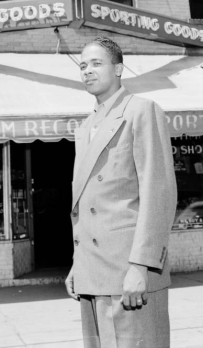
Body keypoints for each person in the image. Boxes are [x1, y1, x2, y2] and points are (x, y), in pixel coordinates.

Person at [65, 36, 177, 348]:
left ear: (118, 68)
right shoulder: (85, 127)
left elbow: (159, 193)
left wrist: (141, 266)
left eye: (96, 63)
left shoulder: (141, 110)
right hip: (93, 274)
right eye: (83, 65)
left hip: (128, 272)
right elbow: (86, 205)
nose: (87, 70)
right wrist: (78, 264)